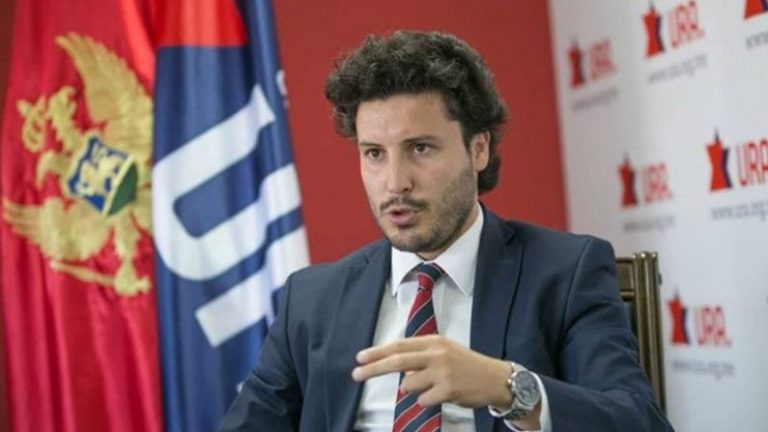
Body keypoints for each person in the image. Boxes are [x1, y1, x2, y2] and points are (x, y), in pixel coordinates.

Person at [218, 31, 673, 432]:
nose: (395, 182)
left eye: (420, 148)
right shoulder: (312, 300)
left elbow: (638, 421)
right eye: (374, 153)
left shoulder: (565, 274)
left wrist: (506, 387)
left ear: (478, 149)